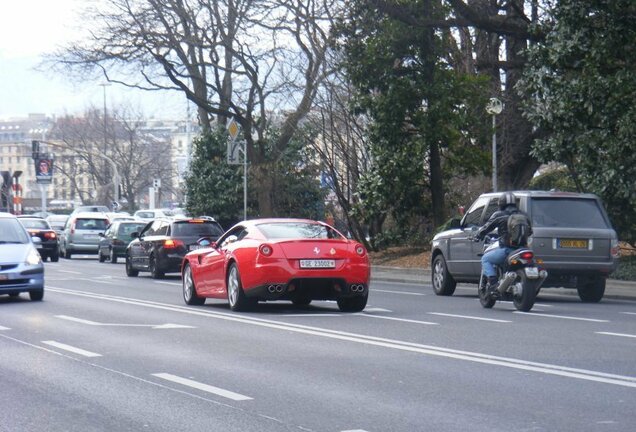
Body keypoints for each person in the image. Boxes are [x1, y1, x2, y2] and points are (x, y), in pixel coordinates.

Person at [475, 192, 532, 294]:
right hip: (523, 249)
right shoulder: (523, 215)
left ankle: (493, 283)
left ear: (501, 203)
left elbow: (486, 228)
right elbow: (530, 231)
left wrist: (478, 235)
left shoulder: (499, 215)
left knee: (485, 259)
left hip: (507, 249)